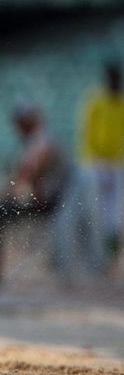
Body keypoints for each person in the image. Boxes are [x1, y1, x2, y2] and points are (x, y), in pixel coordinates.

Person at [0, 103, 67, 286]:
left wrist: (6, 194)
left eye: (19, 122)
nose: (16, 127)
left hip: (50, 204)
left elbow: (28, 172)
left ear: (28, 121)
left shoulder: (41, 139)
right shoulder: (34, 140)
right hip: (44, 200)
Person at [77, 61, 124, 260]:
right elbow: (86, 130)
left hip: (117, 161)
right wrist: (90, 158)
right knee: (95, 205)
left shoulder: (121, 101)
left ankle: (110, 245)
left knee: (114, 208)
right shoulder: (95, 99)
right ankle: (92, 247)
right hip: (97, 161)